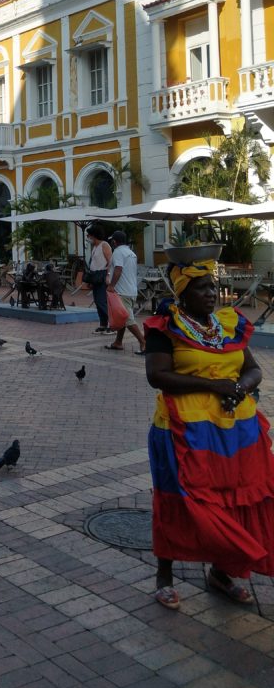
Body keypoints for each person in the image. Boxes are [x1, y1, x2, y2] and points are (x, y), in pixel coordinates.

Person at [144, 259, 274, 610]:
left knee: (230, 500)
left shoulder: (226, 324)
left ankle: (221, 572)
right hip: (181, 431)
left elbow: (252, 369)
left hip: (234, 432)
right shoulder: (165, 327)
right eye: (202, 288)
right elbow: (157, 376)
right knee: (177, 499)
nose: (211, 294)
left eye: (213, 287)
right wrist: (212, 385)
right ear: (183, 294)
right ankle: (164, 577)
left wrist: (239, 388)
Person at [105, 230, 146, 353]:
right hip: (131, 290)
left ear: (114, 241)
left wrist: (112, 285)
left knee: (127, 319)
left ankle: (143, 342)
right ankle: (118, 342)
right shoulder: (131, 253)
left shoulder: (118, 252)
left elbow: (118, 269)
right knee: (122, 317)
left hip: (122, 291)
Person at [86, 223, 112, 333]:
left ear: (94, 235)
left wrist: (108, 275)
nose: (88, 238)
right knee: (97, 301)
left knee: (102, 301)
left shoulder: (104, 245)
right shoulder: (95, 247)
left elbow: (110, 261)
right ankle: (103, 324)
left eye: (89, 235)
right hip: (95, 276)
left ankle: (111, 324)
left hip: (102, 275)